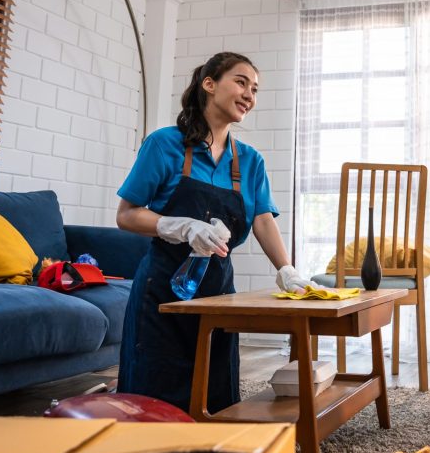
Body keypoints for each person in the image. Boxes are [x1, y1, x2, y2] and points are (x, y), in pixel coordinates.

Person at [116, 51, 315, 413]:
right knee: (154, 395)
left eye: (254, 89)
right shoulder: (164, 144)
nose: (249, 95)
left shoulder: (251, 160)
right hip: (162, 290)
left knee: (217, 390)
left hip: (219, 290)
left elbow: (262, 219)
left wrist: (286, 270)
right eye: (241, 82)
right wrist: (178, 225)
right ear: (209, 84)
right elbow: (127, 215)